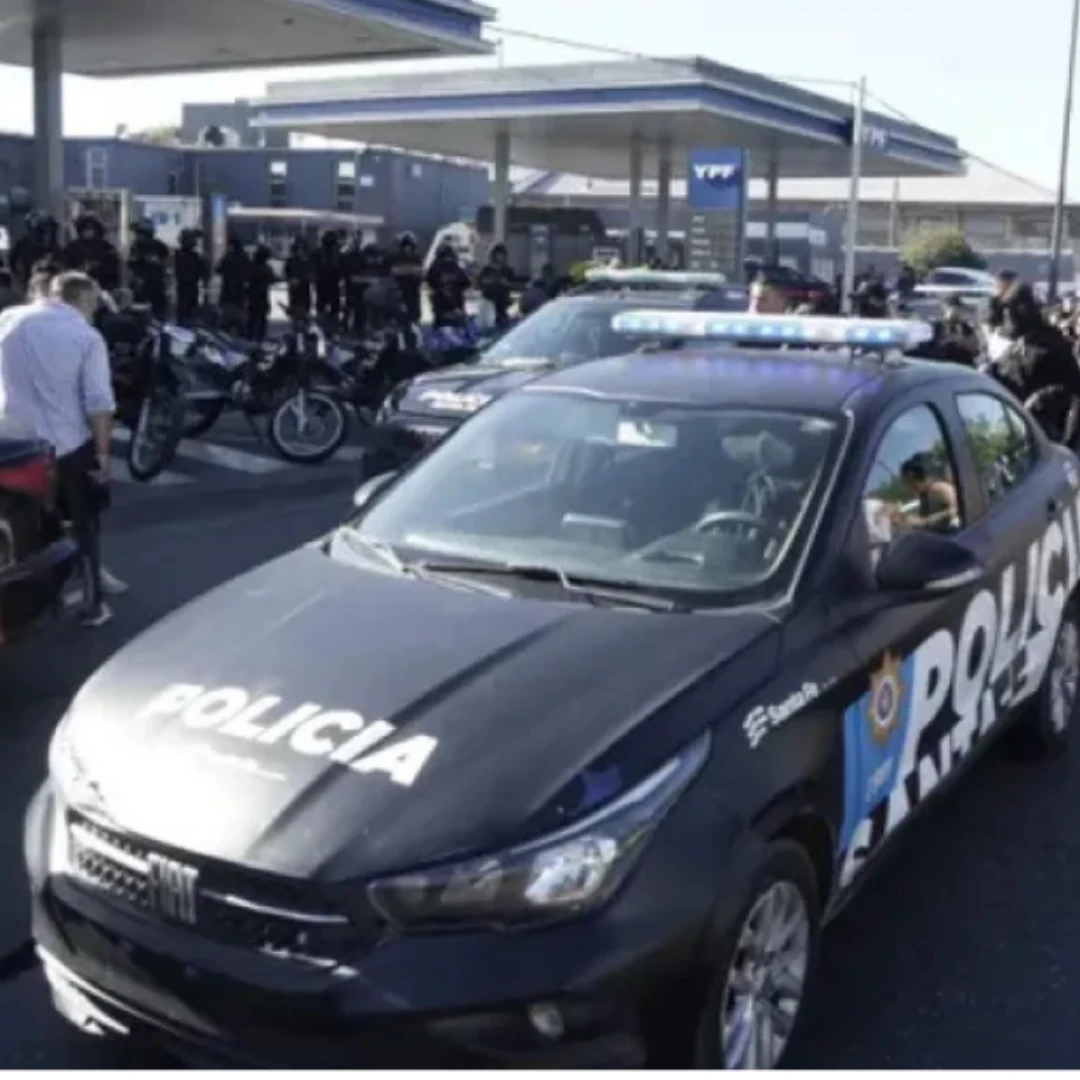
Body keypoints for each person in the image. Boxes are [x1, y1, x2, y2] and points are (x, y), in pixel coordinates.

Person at [0, 271, 125, 627]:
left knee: (28, 527)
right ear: (85, 300)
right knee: (84, 522)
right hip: (65, 444)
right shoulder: (86, 337)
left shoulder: (8, 319)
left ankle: (35, 598)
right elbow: (99, 403)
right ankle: (93, 602)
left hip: (12, 445)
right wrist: (103, 455)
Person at [890, 454, 959, 534]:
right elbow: (923, 519)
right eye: (908, 482)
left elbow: (956, 509)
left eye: (911, 480)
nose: (910, 486)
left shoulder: (940, 488)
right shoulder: (924, 494)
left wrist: (924, 521)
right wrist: (906, 520)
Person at [62, 214, 121, 294]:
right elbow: (67, 267)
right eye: (85, 229)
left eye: (91, 229)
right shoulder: (72, 247)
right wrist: (80, 269)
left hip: (102, 285)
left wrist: (98, 266)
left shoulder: (106, 247)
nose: (88, 232)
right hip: (78, 286)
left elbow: (113, 267)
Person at [128, 218, 170, 319]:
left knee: (158, 311)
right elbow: (131, 264)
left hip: (156, 283)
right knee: (139, 311)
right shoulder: (135, 246)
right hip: (140, 283)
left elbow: (167, 264)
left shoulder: (160, 246)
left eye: (141, 233)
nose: (139, 236)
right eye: (138, 233)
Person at [10, 213, 61, 295]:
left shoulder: (55, 248)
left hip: (51, 286)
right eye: (43, 229)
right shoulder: (23, 246)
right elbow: (15, 267)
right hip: (28, 286)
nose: (46, 233)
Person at [426, 243, 470, 327]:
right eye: (445, 257)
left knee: (459, 327)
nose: (447, 259)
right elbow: (431, 283)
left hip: (457, 304)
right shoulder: (435, 268)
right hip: (441, 306)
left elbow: (466, 283)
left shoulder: (456, 268)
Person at [173, 228, 209, 324]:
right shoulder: (191, 256)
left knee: (187, 309)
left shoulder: (184, 256)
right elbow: (203, 272)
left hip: (188, 286)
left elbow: (203, 272)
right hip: (187, 286)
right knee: (187, 309)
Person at [216, 234, 250, 333]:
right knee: (241, 322)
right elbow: (249, 273)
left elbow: (218, 269)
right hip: (240, 293)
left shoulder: (228, 257)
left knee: (225, 322)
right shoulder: (244, 257)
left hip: (228, 293)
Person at [476, 243, 515, 328]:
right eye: (499, 254)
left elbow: (513, 284)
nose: (501, 257)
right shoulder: (487, 270)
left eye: (503, 255)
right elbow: (479, 284)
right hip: (489, 302)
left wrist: (507, 284)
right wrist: (490, 282)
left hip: (502, 303)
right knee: (489, 325)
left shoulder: (508, 270)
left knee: (503, 325)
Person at [390, 232, 424, 325]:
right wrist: (410, 271)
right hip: (400, 292)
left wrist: (406, 271)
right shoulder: (396, 258)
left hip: (414, 292)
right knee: (400, 316)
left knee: (415, 316)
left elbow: (420, 272)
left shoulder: (417, 258)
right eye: (406, 246)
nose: (408, 248)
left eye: (410, 246)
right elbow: (394, 272)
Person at [313, 230, 344, 327]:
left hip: (323, 284)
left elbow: (314, 268)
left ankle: (323, 326)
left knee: (322, 306)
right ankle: (331, 326)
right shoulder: (337, 253)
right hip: (332, 284)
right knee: (333, 307)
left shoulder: (319, 253)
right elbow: (341, 269)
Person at [246, 244, 276, 342]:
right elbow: (272, 279)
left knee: (252, 318)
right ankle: (259, 337)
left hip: (253, 295)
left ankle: (251, 336)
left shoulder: (251, 266)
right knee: (261, 318)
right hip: (261, 295)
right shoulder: (266, 268)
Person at [283, 236, 313, 320]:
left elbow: (311, 272)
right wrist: (291, 279)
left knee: (305, 304)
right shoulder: (291, 260)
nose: (300, 250)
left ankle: (303, 317)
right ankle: (296, 318)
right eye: (298, 248)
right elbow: (287, 272)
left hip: (304, 285)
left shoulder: (307, 260)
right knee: (295, 304)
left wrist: (308, 277)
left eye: (302, 248)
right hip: (295, 286)